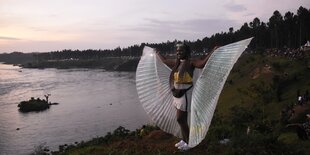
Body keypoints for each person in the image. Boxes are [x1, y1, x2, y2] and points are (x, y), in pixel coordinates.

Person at [156, 42, 218, 150]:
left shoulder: (191, 62)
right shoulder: (177, 63)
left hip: (185, 95)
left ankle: (189, 142)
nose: (178, 52)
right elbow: (165, 61)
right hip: (177, 95)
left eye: (181, 50)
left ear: (187, 52)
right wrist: (158, 53)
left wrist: (213, 51)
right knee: (181, 120)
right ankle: (185, 140)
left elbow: (202, 64)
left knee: (180, 119)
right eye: (177, 51)